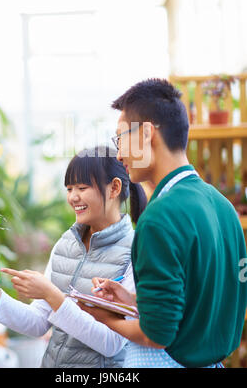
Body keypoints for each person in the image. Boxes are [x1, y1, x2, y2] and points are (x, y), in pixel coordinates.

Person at [80, 78, 247, 368]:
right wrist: (132, 301)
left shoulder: (159, 217)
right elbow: (198, 305)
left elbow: (157, 335)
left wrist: (107, 318)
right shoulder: (223, 207)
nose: (119, 154)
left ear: (146, 134)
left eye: (121, 138)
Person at [0, 146, 147, 368]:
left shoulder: (137, 252)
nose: (73, 197)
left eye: (82, 187)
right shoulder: (66, 244)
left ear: (114, 188)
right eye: (69, 188)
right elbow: (38, 322)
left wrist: (52, 295)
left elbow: (112, 343)